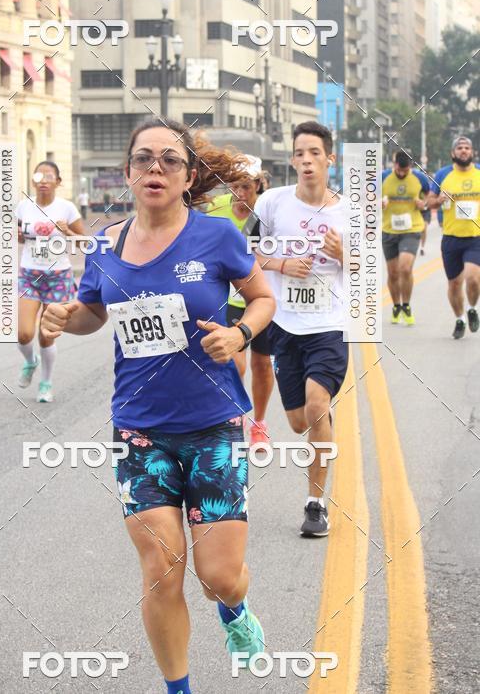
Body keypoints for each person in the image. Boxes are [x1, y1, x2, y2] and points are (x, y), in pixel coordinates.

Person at [41, 120, 275, 694]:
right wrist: (65, 319)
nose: (155, 169)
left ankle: (233, 611)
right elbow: (93, 313)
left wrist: (240, 333)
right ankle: (179, 689)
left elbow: (263, 297)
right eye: (143, 159)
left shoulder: (218, 236)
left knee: (218, 577)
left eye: (169, 160)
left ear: (189, 176)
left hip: (214, 425)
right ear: (127, 172)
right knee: (161, 573)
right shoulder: (104, 246)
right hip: (139, 433)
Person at [253, 121, 347, 537]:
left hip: (330, 323)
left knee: (314, 405)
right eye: (299, 154)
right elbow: (246, 252)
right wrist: (282, 264)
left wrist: (345, 253)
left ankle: (315, 504)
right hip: (285, 323)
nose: (306, 160)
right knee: (297, 422)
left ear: (330, 158)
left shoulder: (351, 211)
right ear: (292, 160)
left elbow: (369, 271)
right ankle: (321, 419)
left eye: (314, 153)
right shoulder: (272, 203)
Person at [204, 155, 275, 448]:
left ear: (258, 185)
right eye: (234, 186)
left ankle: (259, 422)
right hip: (230, 297)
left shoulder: (267, 213)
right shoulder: (217, 209)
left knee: (261, 364)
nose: (240, 193)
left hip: (262, 297)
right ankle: (235, 416)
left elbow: (277, 252)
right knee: (235, 362)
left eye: (246, 186)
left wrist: (266, 263)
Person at [15, 161, 85, 402]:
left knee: (47, 335)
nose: (43, 180)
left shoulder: (67, 209)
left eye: (49, 176)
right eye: (38, 176)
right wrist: (17, 236)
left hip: (58, 277)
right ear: (33, 181)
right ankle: (29, 361)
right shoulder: (23, 207)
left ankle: (46, 383)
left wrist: (69, 233)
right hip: (30, 275)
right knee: (24, 334)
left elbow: (84, 243)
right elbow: (18, 236)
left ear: (58, 182)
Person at [427, 136, 480, 339]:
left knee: (473, 278)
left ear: (472, 152)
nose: (464, 150)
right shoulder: (443, 175)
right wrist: (438, 199)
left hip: (476, 237)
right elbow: (428, 202)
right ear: (453, 153)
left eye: (467, 147)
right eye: (460, 148)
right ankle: (460, 319)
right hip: (451, 238)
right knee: (454, 284)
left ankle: (473, 307)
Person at [381, 150, 430, 326]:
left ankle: (407, 305)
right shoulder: (383, 177)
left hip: (412, 229)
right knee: (393, 273)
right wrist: (378, 203)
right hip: (389, 230)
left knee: (405, 268)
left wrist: (423, 204)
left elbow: (429, 198)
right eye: (399, 170)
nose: (402, 173)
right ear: (394, 165)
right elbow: (367, 199)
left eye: (405, 170)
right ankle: (396, 306)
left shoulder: (420, 178)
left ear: (410, 167)